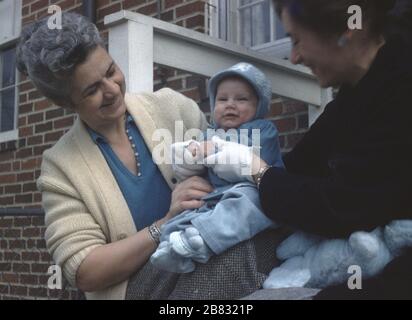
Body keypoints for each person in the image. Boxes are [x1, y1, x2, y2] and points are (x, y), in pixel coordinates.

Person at [17, 12, 286, 300]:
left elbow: (231, 156)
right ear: (66, 102)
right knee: (234, 255)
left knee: (252, 234)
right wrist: (165, 222)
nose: (112, 90)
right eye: (92, 89)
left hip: (203, 250)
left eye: (110, 71)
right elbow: (84, 269)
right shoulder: (61, 166)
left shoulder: (172, 107)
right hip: (138, 284)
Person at [201, 0, 412, 299]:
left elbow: (343, 206)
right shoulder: (355, 93)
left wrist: (257, 171)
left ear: (346, 30)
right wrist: (215, 187)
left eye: (297, 40)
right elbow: (297, 167)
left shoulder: (401, 89)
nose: (294, 56)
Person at [150, 63, 284, 273]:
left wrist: (211, 150)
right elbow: (188, 170)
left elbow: (248, 158)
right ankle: (171, 246)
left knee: (247, 201)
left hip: (252, 189)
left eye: (241, 99)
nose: (230, 105)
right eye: (223, 99)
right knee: (189, 208)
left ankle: (203, 240)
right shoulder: (209, 134)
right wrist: (190, 154)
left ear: (259, 106)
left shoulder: (263, 129)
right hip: (214, 197)